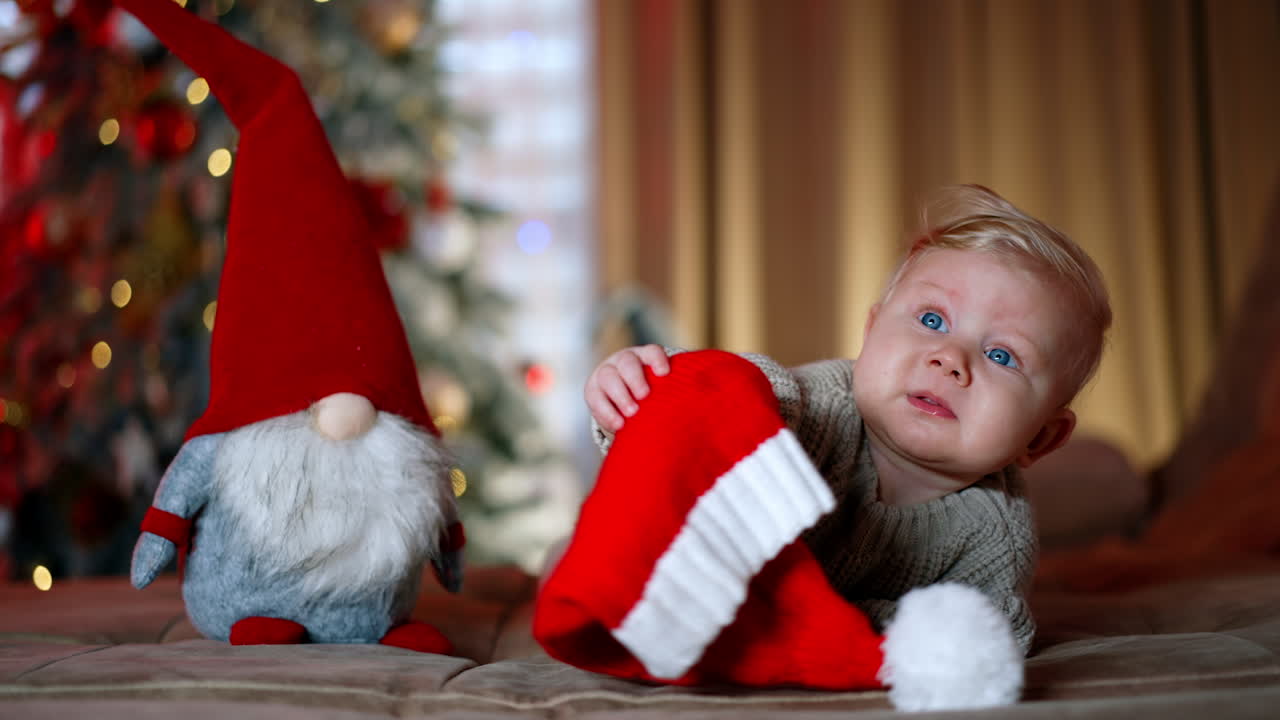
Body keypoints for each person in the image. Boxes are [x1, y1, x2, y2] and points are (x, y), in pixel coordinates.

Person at [584, 185, 1112, 652]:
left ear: (1041, 437)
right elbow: (713, 407)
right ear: (871, 331)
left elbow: (986, 634)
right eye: (932, 320)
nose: (950, 359)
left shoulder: (994, 533)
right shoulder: (810, 406)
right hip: (696, 565)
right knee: (599, 565)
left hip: (777, 626)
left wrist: (831, 622)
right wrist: (639, 390)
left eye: (1001, 355)